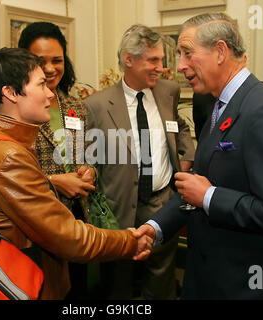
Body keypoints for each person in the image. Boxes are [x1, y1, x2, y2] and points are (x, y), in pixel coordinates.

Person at [0, 47, 153, 300]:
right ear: (10, 93)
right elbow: (69, 238)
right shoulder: (9, 157)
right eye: (41, 85)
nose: (51, 93)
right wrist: (129, 241)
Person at [136, 13, 263, 299]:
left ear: (219, 51)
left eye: (187, 53)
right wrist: (153, 229)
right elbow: (196, 184)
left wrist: (209, 197)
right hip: (212, 277)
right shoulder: (220, 106)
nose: (179, 66)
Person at [84, 24, 195, 299]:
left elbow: (179, 126)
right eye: (153, 60)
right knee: (118, 282)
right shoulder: (96, 105)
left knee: (161, 278)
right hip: (118, 207)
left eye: (162, 59)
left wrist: (188, 157)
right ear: (128, 59)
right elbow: (87, 156)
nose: (161, 67)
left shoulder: (168, 91)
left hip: (162, 202)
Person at [18, 22, 95, 299]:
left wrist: (90, 173)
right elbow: (5, 171)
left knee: (77, 293)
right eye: (40, 61)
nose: (50, 68)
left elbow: (85, 155)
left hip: (77, 220)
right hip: (36, 226)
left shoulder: (76, 106)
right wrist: (52, 182)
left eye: (57, 60)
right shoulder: (15, 108)